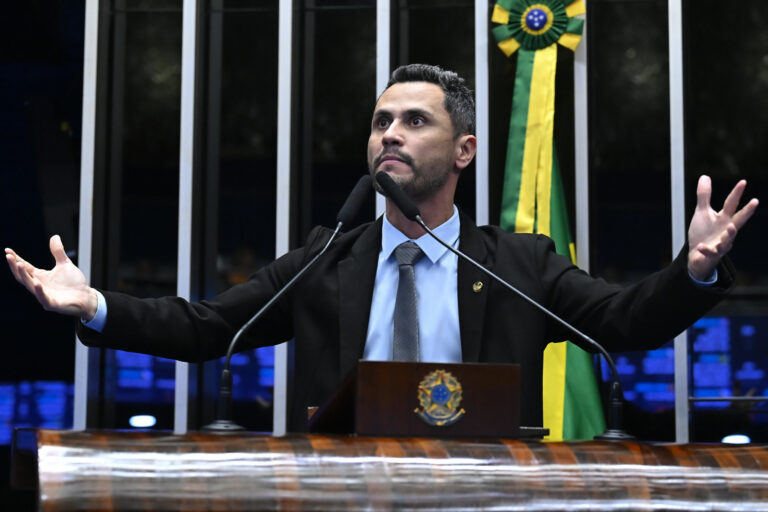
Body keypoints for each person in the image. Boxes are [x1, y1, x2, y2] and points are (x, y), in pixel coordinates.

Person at [5, 64, 759, 432]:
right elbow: (208, 329)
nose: (389, 134)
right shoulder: (327, 257)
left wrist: (693, 273)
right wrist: (95, 304)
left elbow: (624, 322)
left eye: (413, 122)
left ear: (464, 151)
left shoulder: (520, 265)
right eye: (380, 121)